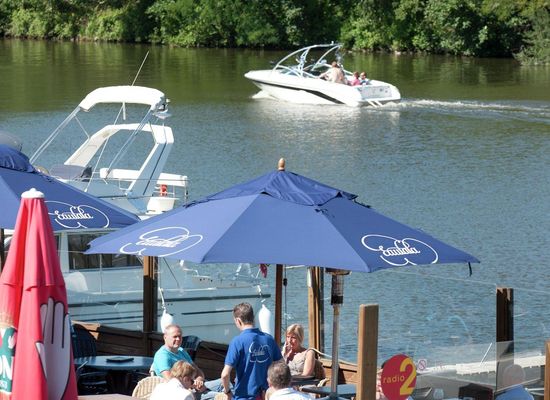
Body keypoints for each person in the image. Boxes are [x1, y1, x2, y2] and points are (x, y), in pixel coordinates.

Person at [221, 302, 282, 400]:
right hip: (266, 395)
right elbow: (282, 367)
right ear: (253, 318)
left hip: (244, 396)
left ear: (238, 321)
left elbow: (225, 375)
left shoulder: (237, 342)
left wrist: (227, 392)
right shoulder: (269, 339)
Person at [152, 324, 224, 400]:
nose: (178, 339)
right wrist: (193, 384)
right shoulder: (162, 355)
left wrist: (199, 380)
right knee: (221, 396)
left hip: (195, 385)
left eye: (180, 336)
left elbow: (197, 370)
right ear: (165, 337)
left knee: (225, 382)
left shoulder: (181, 351)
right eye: (175, 336)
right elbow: (171, 380)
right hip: (183, 392)